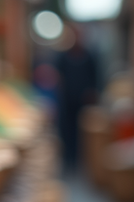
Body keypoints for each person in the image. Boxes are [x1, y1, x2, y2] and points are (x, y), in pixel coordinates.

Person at [55, 25, 99, 173]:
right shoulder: (63, 57)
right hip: (67, 101)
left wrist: (92, 94)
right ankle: (68, 160)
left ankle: (82, 162)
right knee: (67, 131)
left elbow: (95, 79)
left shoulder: (89, 56)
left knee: (82, 133)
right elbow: (58, 77)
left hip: (83, 102)